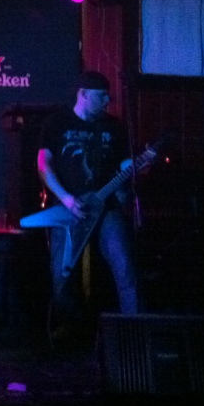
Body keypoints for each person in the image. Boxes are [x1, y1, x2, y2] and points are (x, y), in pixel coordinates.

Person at [37, 70, 138, 332]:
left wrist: (136, 168)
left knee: (125, 267)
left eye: (108, 96)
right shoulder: (57, 123)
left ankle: (134, 329)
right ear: (82, 94)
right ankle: (70, 331)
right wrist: (66, 198)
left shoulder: (114, 127)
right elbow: (43, 165)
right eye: (101, 96)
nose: (107, 101)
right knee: (62, 275)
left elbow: (124, 164)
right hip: (68, 208)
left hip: (107, 208)